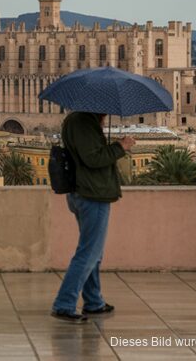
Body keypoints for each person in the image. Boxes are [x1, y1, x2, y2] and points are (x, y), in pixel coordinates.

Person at [51, 112, 135, 324]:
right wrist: (120, 147)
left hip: (84, 192)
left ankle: (94, 301)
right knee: (88, 253)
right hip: (92, 194)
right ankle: (64, 304)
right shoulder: (83, 123)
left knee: (93, 252)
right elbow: (93, 158)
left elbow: (88, 153)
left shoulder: (79, 120)